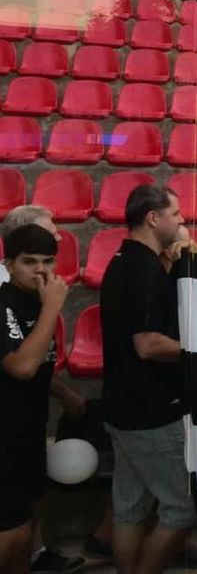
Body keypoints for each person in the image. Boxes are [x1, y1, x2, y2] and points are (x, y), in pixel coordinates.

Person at [100, 185, 197, 574]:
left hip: (123, 406)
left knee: (129, 508)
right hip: (150, 413)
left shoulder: (128, 260)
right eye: (175, 214)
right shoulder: (141, 268)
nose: (182, 221)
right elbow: (147, 345)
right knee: (183, 509)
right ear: (153, 218)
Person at [0, 225, 66, 574]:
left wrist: (68, 395)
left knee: (25, 533)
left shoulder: (35, 303)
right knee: (11, 535)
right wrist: (52, 307)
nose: (41, 270)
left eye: (48, 261)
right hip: (4, 437)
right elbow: (23, 366)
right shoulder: (4, 304)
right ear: (9, 264)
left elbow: (40, 361)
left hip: (29, 430)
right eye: (29, 261)